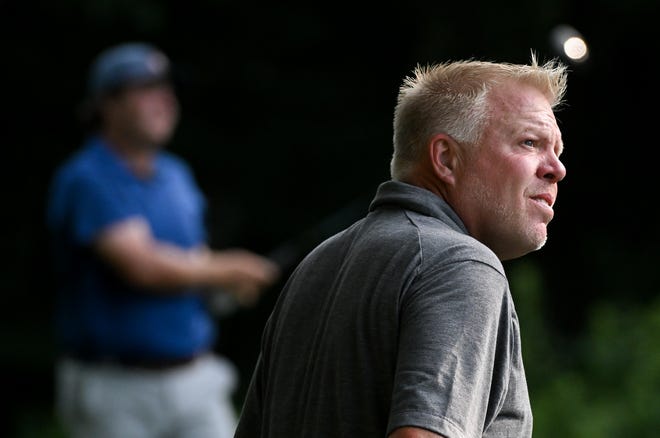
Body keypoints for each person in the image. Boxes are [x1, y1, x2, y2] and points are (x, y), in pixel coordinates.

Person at [234, 55, 568, 438]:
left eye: (557, 151)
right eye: (529, 142)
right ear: (445, 158)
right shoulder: (461, 267)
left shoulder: (315, 266)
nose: (556, 168)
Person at [46, 41, 280, 438]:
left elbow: (191, 258)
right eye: (146, 89)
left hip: (194, 378)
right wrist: (229, 269)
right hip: (114, 389)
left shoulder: (176, 175)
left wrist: (218, 285)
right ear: (108, 103)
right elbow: (143, 266)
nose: (165, 100)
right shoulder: (87, 178)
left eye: (167, 89)